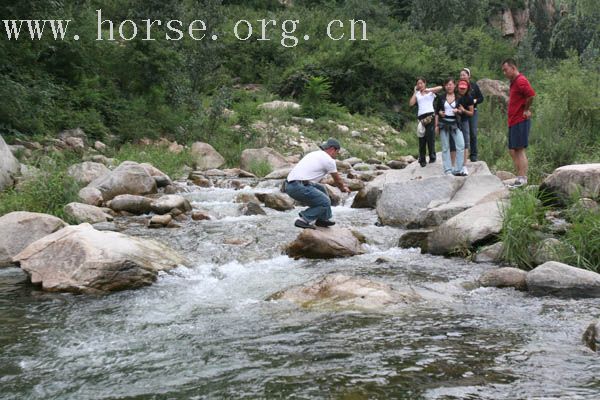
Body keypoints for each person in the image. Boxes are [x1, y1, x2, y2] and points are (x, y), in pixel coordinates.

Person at [285, 138, 350, 229]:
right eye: (337, 152)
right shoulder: (329, 160)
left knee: (321, 189)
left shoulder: (314, 154)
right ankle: (302, 219)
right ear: (332, 149)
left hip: (290, 185)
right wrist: (343, 188)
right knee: (325, 201)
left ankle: (322, 219)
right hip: (298, 186)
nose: (336, 155)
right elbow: (337, 180)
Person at [501, 58, 536, 188]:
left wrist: (526, 110)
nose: (504, 73)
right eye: (503, 70)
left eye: (506, 70)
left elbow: (531, 95)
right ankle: (520, 176)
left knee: (519, 150)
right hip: (513, 120)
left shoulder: (521, 80)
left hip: (520, 120)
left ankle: (522, 179)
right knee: (512, 150)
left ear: (513, 68)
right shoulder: (514, 82)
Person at [435, 78, 466, 176]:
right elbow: (437, 112)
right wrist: (437, 123)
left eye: (451, 84)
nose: (449, 86)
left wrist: (459, 111)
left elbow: (462, 111)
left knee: (461, 145)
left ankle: (458, 169)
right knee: (445, 147)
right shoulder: (441, 97)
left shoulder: (459, 97)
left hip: (455, 123)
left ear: (454, 86)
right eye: (447, 84)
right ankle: (448, 170)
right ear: (445, 86)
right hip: (443, 123)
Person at [409, 77, 443, 167]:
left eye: (421, 83)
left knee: (430, 137)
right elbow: (411, 103)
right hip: (421, 118)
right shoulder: (417, 94)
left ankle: (432, 156)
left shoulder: (430, 92)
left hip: (430, 116)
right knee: (422, 138)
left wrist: (428, 89)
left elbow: (440, 88)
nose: (420, 85)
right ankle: (422, 159)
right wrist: (415, 92)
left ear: (425, 83)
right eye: (418, 84)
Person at [459, 68, 484, 161]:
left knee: (473, 133)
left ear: (468, 76)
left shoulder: (474, 86)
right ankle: (462, 154)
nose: (462, 77)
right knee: (462, 133)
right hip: (461, 112)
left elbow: (481, 98)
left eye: (464, 75)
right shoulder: (459, 86)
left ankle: (473, 155)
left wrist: (474, 100)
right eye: (461, 75)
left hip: (473, 111)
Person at [452, 78, 475, 175]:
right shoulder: (453, 95)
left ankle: (464, 166)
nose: (462, 90)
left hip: (464, 121)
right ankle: (453, 166)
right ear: (458, 87)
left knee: (466, 142)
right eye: (461, 88)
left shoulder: (469, 98)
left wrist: (463, 110)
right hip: (453, 121)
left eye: (464, 88)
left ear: (467, 88)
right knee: (453, 142)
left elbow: (471, 113)